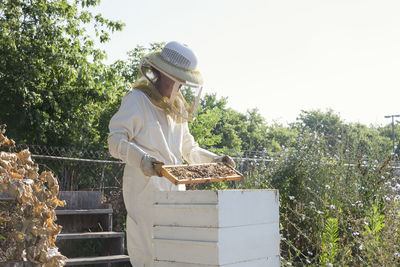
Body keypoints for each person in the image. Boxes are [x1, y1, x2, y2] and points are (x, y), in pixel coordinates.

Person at [107, 41, 235, 267]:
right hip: (146, 196)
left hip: (176, 194)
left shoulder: (177, 109)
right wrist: (142, 159)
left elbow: (189, 149)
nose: (182, 87)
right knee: (150, 258)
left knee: (176, 257)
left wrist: (214, 160)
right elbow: (115, 140)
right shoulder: (137, 101)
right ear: (164, 74)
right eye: (179, 81)